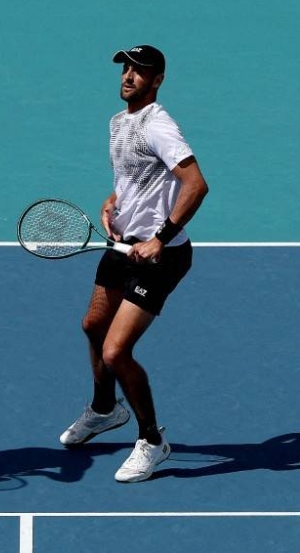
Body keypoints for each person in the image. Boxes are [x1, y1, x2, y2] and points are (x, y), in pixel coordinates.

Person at [58, 44, 208, 483]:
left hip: (161, 256)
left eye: (140, 71)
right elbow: (133, 180)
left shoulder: (159, 125)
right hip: (123, 246)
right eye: (126, 68)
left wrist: (160, 239)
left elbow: (196, 185)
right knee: (92, 325)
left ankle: (151, 440)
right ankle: (105, 409)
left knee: (116, 350)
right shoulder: (119, 122)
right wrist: (113, 203)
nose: (128, 75)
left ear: (157, 80)